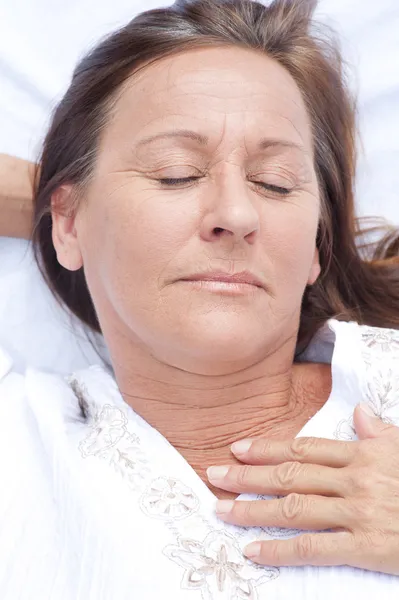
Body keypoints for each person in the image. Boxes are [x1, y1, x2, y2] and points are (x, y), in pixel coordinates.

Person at [2, 0, 399, 597]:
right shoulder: (20, 447)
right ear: (67, 224)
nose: (236, 215)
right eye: (175, 173)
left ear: (317, 245)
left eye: (275, 183)